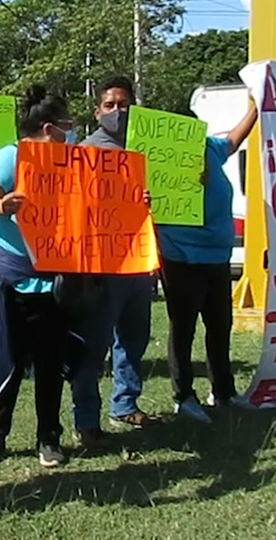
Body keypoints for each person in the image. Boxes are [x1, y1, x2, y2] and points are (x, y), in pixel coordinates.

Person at [0, 85, 75, 470]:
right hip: (12, 280)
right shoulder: (9, 157)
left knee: (51, 364)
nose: (71, 132)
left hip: (58, 282)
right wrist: (3, 205)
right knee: (7, 361)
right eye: (67, 125)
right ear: (48, 129)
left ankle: (49, 438)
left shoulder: (72, 162)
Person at [158, 94, 258, 423]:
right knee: (183, 329)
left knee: (219, 327)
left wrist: (256, 108)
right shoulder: (160, 161)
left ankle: (224, 392)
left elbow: (233, 137)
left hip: (217, 257)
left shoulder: (211, 149)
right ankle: (184, 396)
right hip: (181, 258)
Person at [68, 77, 156, 447]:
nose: (117, 112)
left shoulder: (149, 150)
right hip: (102, 267)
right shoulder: (85, 152)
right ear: (97, 110)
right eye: (110, 105)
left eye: (124, 105)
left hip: (139, 263)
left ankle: (125, 403)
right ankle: (86, 420)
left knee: (134, 339)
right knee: (94, 345)